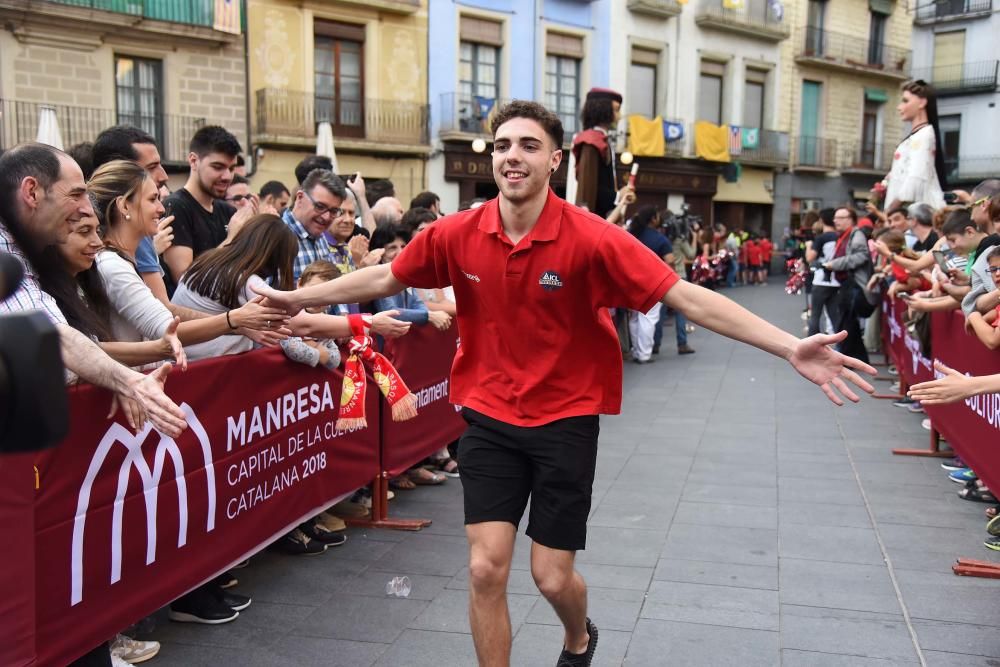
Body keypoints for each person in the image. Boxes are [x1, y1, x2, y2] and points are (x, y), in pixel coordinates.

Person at [253, 100, 876, 667]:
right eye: (501, 146)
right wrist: (291, 296)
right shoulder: (456, 232)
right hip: (490, 417)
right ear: (490, 158)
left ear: (554, 160)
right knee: (483, 568)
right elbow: (383, 279)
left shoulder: (594, 239)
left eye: (527, 145)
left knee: (551, 577)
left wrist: (791, 345)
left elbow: (686, 297)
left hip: (565, 420)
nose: (511, 156)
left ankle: (578, 637)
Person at [0, 142, 186, 438]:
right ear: (32, 192)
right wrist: (129, 381)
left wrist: (109, 376)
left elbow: (72, 346)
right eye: (76, 194)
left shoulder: (30, 254)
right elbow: (54, 340)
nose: (86, 208)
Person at [89, 160, 287, 351]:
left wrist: (237, 324)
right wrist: (233, 320)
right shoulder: (113, 266)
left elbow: (167, 312)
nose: (161, 208)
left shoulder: (121, 262)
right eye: (152, 199)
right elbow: (166, 329)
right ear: (124, 206)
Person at [170, 214, 298, 361]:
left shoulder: (209, 259)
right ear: (278, 258)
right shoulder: (247, 281)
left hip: (182, 358)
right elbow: (297, 324)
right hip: (207, 365)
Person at [161, 125, 250, 294]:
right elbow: (184, 280)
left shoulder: (227, 211)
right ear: (194, 161)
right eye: (217, 167)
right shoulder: (176, 207)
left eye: (231, 168)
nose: (227, 176)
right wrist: (231, 238)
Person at [884, 79, 948, 211]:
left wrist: (890, 210)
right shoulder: (919, 136)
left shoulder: (924, 136)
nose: (899, 107)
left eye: (905, 101)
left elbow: (916, 177)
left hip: (915, 214)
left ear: (922, 102)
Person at [822, 207, 874, 363]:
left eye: (840, 217)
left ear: (850, 219)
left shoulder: (855, 234)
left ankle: (850, 358)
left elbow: (861, 256)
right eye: (835, 218)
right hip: (847, 283)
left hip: (853, 283)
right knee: (848, 323)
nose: (835, 221)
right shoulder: (846, 235)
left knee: (847, 322)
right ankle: (856, 358)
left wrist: (834, 264)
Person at [571, 88, 629, 218]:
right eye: (616, 110)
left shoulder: (600, 140)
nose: (619, 116)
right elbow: (589, 190)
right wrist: (619, 195)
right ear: (603, 109)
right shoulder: (591, 142)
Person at [626, 206, 670, 363]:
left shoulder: (632, 234)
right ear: (653, 219)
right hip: (653, 283)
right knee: (648, 318)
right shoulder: (660, 239)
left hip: (630, 282)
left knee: (634, 318)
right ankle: (644, 354)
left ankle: (636, 351)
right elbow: (670, 260)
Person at [806, 209, 840, 336]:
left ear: (822, 220)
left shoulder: (821, 238)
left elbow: (810, 258)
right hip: (836, 281)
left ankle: (812, 343)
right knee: (834, 316)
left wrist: (809, 246)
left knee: (815, 314)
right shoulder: (840, 237)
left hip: (820, 280)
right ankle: (840, 344)